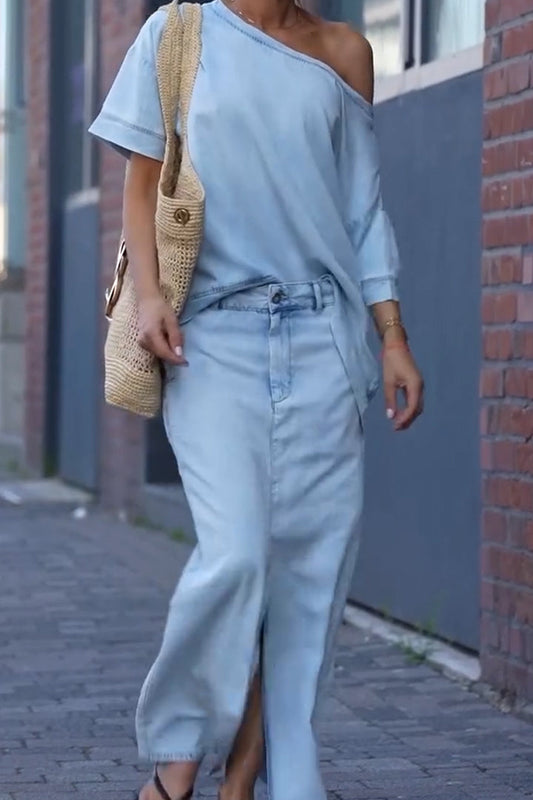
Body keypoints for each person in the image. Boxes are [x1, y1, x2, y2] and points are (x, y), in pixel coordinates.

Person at [89, 0, 424, 798]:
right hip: (212, 340)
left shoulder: (343, 51)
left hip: (323, 339)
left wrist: (391, 334)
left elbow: (362, 210)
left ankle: (256, 781)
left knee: (307, 585)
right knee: (236, 555)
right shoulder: (177, 33)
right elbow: (142, 179)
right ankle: (176, 763)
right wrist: (147, 295)